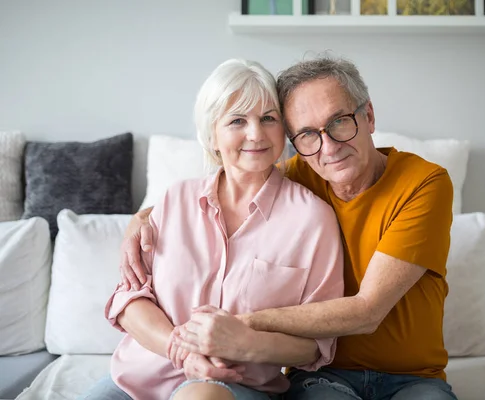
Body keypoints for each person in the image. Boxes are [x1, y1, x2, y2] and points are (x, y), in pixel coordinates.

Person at [121, 55, 457, 400]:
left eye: (340, 121)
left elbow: (367, 311)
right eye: (308, 134)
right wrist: (139, 221)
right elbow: (223, 189)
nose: (329, 147)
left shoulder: (423, 183)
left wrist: (242, 326)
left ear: (368, 116)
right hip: (327, 377)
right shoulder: (303, 171)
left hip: (412, 377)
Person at [80, 58, 345, 400]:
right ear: (212, 134)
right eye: (237, 120)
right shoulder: (175, 200)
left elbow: (315, 346)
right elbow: (129, 299)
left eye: (269, 118)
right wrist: (183, 351)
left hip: (236, 388)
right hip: (136, 380)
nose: (255, 134)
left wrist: (247, 344)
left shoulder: (313, 219)